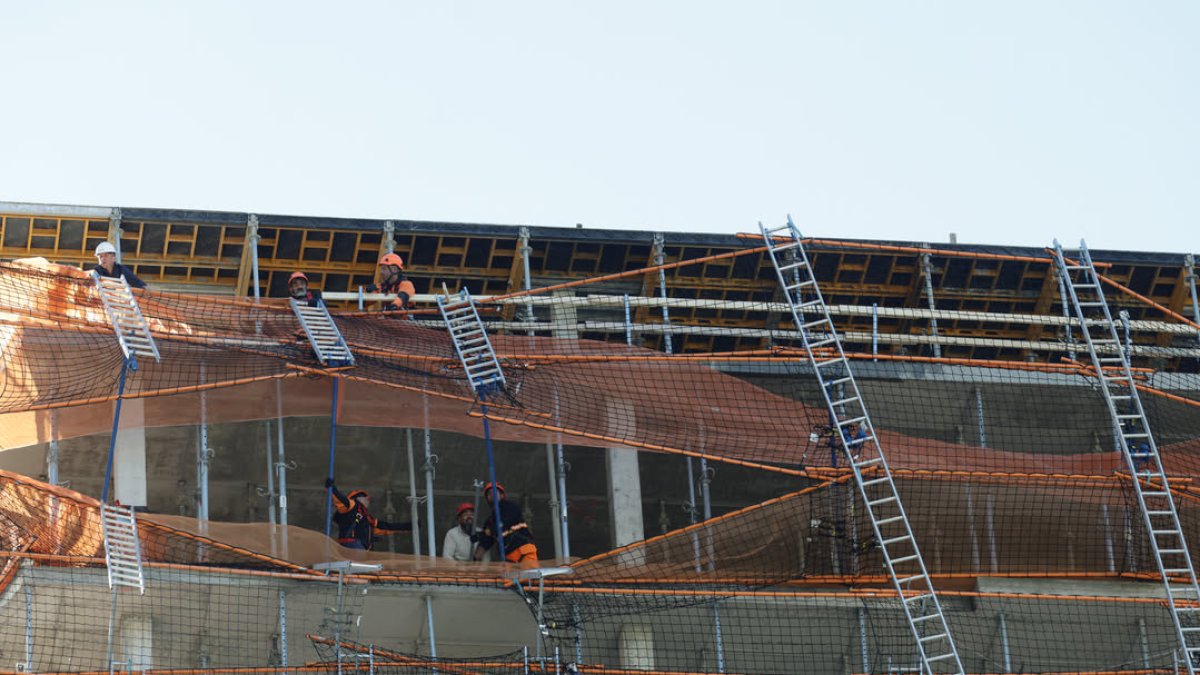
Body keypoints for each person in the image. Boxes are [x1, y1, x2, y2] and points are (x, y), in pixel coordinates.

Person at [324, 478, 411, 550]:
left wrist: (408, 526)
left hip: (359, 547)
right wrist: (331, 487)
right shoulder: (353, 505)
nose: (368, 500)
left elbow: (386, 527)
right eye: (366, 498)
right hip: (353, 545)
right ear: (357, 498)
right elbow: (340, 500)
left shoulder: (367, 517)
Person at [474, 482, 537, 565]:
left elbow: (505, 522)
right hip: (509, 556)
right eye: (489, 494)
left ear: (502, 495)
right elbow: (486, 540)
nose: (492, 494)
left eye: (495, 492)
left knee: (529, 576)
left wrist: (491, 530)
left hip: (523, 550)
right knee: (509, 577)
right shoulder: (490, 521)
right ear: (487, 499)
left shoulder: (510, 507)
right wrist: (477, 555)